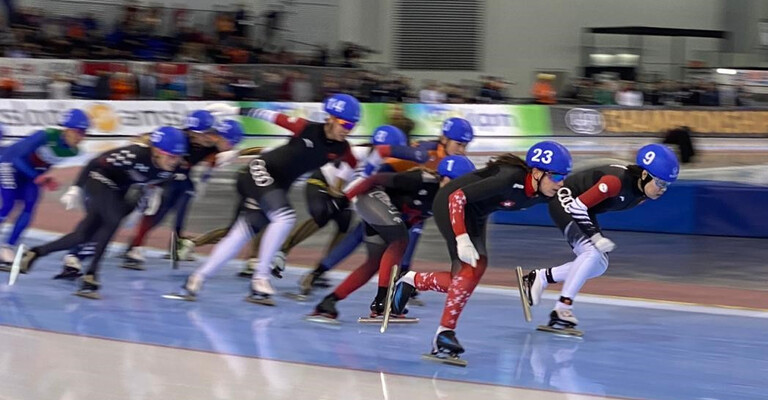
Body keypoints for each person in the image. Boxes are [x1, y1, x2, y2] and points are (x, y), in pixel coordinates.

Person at [164, 94, 360, 305]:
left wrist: (340, 187)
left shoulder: (342, 148)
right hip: (260, 171)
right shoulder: (306, 127)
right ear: (330, 118)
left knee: (241, 233)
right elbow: (267, 114)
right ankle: (260, 280)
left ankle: (196, 279)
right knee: (285, 217)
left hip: (276, 185)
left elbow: (354, 164)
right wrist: (234, 111)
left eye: (353, 125)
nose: (348, 129)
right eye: (345, 123)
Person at [392, 141, 573, 361]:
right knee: (470, 269)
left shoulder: (545, 192)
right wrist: (461, 238)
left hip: (476, 213)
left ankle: (413, 280)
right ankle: (444, 334)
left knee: (466, 276)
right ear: (536, 173)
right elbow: (457, 198)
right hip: (451, 203)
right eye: (556, 177)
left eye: (564, 176)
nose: (560, 183)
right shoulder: (509, 178)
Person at [297, 117, 475, 296]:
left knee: (403, 229)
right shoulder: (423, 153)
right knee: (368, 233)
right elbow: (383, 167)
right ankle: (319, 273)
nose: (462, 151)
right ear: (444, 139)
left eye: (465, 146)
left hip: (410, 201)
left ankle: (319, 273)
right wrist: (359, 187)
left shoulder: (456, 164)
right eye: (459, 144)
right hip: (388, 193)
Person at [521, 144, 679, 334]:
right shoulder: (615, 182)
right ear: (645, 175)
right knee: (591, 252)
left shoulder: (642, 193)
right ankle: (562, 309)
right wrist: (595, 237)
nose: (662, 190)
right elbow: (578, 207)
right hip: (567, 202)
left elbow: (587, 208)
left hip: (583, 209)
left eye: (666, 185)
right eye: (660, 183)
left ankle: (540, 277)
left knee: (599, 264)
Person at [14, 126, 187, 299]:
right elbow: (94, 162)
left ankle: (35, 253)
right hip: (98, 179)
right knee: (113, 219)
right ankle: (91, 274)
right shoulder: (135, 154)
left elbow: (159, 180)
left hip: (118, 190)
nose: (174, 161)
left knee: (83, 235)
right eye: (171, 156)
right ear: (157, 151)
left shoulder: (173, 168)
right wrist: (76, 187)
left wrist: (153, 193)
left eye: (178, 157)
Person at [244, 124, 428, 280]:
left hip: (342, 193)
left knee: (344, 223)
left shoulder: (384, 162)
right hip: (322, 183)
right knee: (324, 213)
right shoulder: (356, 153)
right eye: (392, 153)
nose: (393, 158)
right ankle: (282, 251)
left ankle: (322, 268)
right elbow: (340, 183)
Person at [308, 155, 477, 323]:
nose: (460, 194)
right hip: (371, 198)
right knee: (401, 239)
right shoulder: (422, 180)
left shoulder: (444, 201)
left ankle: (328, 303)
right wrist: (345, 198)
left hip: (384, 215)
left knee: (374, 262)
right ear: (446, 179)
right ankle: (382, 302)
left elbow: (414, 218)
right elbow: (375, 179)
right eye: (458, 187)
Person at [120, 112, 244, 269]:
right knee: (157, 210)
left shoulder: (213, 143)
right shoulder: (180, 138)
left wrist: (204, 178)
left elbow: (211, 161)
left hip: (179, 177)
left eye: (207, 134)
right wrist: (149, 182)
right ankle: (133, 246)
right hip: (161, 176)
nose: (202, 138)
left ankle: (173, 245)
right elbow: (148, 141)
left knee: (182, 202)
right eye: (198, 134)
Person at [0, 109, 90, 267]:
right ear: (67, 129)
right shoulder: (45, 135)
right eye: (78, 132)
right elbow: (16, 158)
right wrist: (37, 176)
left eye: (84, 133)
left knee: (30, 205)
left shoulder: (72, 151)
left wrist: (45, 178)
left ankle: (8, 246)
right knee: (8, 204)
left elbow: (44, 165)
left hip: (29, 173)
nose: (81, 137)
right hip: (8, 164)